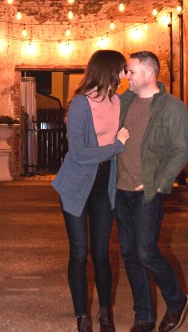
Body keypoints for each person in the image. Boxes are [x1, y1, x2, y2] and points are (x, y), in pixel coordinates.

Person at [53, 50, 130, 332]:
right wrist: (115, 147)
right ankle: (81, 316)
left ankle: (105, 312)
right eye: (123, 69)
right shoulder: (80, 104)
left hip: (105, 184)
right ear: (109, 70)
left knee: (101, 252)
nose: (125, 75)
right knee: (79, 251)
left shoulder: (119, 101)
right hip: (75, 184)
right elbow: (80, 153)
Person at [116, 51, 188, 332]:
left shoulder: (172, 107)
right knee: (130, 256)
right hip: (120, 188)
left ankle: (176, 300)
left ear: (148, 74)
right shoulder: (125, 101)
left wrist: (159, 183)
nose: (127, 76)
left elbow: (180, 150)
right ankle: (144, 318)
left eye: (131, 71)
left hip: (147, 190)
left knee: (146, 251)